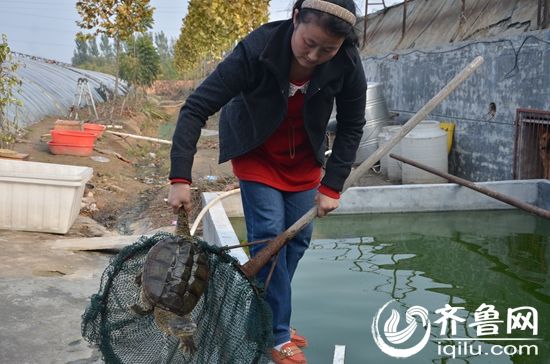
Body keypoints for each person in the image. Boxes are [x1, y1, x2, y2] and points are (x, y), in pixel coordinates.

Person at [167, 0, 366, 362]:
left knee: (298, 241)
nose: (314, 56)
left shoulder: (347, 61)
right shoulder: (256, 51)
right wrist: (180, 176)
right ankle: (275, 334)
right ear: (294, 19)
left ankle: (270, 314)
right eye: (309, 43)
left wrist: (332, 185)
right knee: (271, 241)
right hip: (256, 153)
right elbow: (195, 107)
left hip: (304, 158)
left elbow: (353, 126)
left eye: (328, 50)